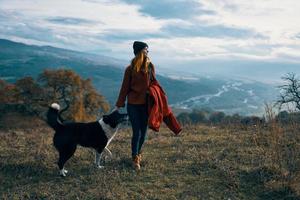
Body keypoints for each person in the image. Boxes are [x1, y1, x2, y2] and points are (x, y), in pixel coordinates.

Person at [115, 41, 156, 170]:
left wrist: (156, 96)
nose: (148, 52)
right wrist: (119, 103)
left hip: (145, 105)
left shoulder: (150, 67)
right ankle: (135, 158)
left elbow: (154, 83)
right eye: (146, 50)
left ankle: (138, 153)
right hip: (133, 105)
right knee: (136, 132)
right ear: (140, 52)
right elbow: (124, 87)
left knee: (143, 133)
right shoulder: (130, 69)